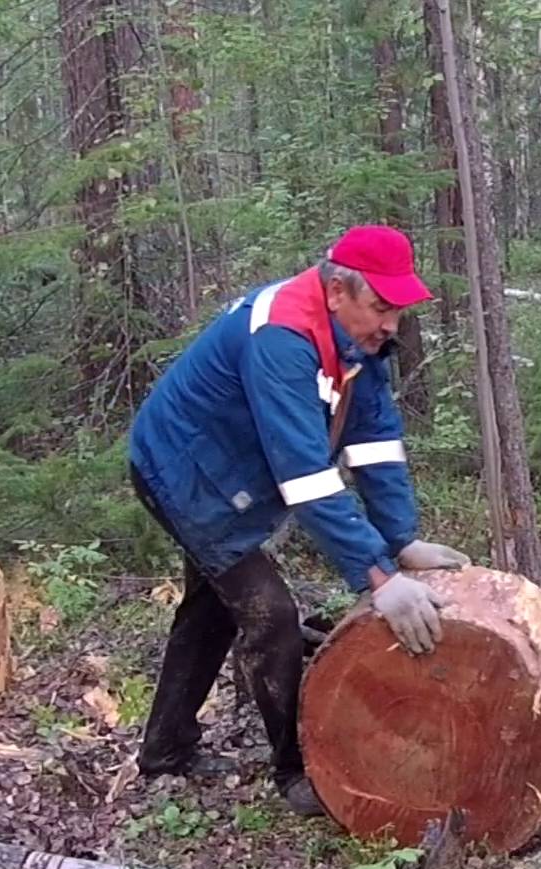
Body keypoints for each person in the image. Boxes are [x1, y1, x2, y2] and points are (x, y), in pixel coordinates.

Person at [126, 225, 470, 817]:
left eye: (399, 309)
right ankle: (298, 769)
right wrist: (377, 577)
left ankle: (165, 749)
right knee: (272, 618)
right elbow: (305, 475)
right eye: (381, 307)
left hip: (226, 472)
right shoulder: (282, 338)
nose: (391, 324)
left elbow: (375, 440)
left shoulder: (357, 340)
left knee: (211, 609)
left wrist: (401, 540)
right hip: (185, 476)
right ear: (337, 290)